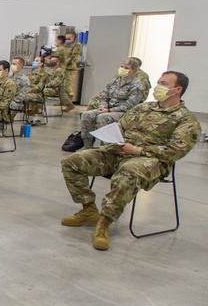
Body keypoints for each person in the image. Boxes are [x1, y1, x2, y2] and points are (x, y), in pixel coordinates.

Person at [60, 72, 201, 250]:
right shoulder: (144, 108)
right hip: (118, 151)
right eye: (158, 82)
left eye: (164, 83)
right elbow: (120, 126)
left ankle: (104, 222)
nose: (158, 87)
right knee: (72, 161)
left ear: (177, 89)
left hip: (148, 160)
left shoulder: (186, 120)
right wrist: (114, 139)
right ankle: (88, 209)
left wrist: (136, 150)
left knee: (127, 174)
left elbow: (175, 152)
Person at [78, 58, 146, 150]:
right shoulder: (114, 81)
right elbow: (104, 96)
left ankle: (106, 146)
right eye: (122, 66)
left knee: (103, 117)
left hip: (124, 113)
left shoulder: (137, 85)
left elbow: (129, 105)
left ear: (133, 71)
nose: (123, 69)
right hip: (108, 109)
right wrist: (103, 106)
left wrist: (109, 110)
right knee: (86, 115)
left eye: (126, 68)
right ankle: (87, 146)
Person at [51, 35, 74, 112]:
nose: (55, 42)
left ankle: (69, 104)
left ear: (60, 41)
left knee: (62, 89)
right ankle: (68, 104)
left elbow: (54, 59)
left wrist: (46, 59)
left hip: (59, 71)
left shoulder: (60, 49)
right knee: (62, 89)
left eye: (56, 40)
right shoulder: (64, 48)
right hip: (62, 69)